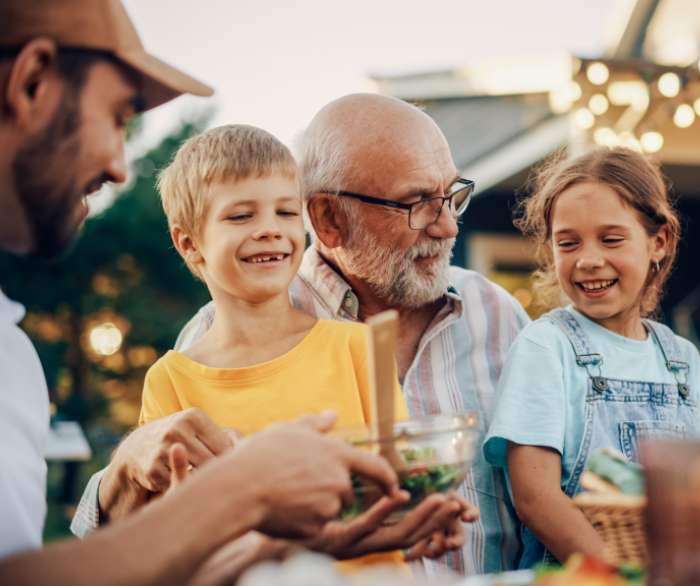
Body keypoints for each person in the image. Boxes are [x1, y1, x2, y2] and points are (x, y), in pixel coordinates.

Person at [0, 1, 405, 583]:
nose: (120, 167)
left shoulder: (11, 351)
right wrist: (250, 493)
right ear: (32, 81)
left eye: (284, 212)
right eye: (118, 115)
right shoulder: (171, 377)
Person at [76, 93, 531, 576]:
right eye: (416, 203)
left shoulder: (497, 316)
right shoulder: (190, 356)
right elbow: (157, 533)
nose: (446, 225)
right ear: (328, 219)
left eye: (451, 196)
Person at [142, 122, 475, 570]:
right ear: (190, 244)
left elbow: (396, 485)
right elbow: (173, 536)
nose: (269, 230)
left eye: (284, 213)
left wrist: (428, 514)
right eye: (241, 216)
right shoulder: (171, 382)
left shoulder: (359, 346)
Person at [482, 147, 700, 566]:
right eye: (568, 243)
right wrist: (621, 575)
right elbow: (536, 499)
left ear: (659, 241)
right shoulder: (546, 347)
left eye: (611, 239)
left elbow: (696, 496)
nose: (588, 260)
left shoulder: (684, 362)